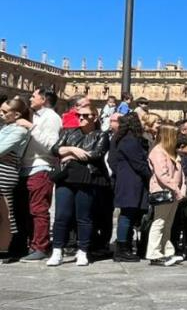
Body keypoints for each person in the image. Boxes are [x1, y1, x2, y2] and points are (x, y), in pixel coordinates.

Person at [46, 104, 110, 267]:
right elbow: (55, 149)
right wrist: (73, 150)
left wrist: (68, 155)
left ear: (94, 117)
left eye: (85, 115)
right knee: (61, 216)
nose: (81, 118)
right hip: (65, 178)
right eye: (79, 115)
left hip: (87, 178)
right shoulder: (69, 133)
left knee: (84, 217)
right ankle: (57, 251)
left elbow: (95, 155)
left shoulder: (101, 135)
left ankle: (82, 251)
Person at [18, 87, 62, 262]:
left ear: (43, 99)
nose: (30, 99)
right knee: (27, 210)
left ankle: (41, 246)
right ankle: (31, 243)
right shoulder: (36, 116)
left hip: (41, 167)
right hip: (28, 167)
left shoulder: (51, 118)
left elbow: (51, 144)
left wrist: (31, 127)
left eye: (33, 96)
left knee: (38, 210)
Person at [110, 112, 151, 262]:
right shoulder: (130, 140)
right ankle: (121, 249)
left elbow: (112, 161)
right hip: (131, 182)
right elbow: (139, 163)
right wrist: (150, 175)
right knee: (127, 215)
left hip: (126, 180)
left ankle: (125, 246)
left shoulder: (121, 139)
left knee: (128, 214)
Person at [145, 124, 186, 266]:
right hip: (164, 191)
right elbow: (162, 174)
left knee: (168, 223)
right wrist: (176, 188)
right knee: (160, 222)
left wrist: (182, 188)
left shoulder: (171, 152)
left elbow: (181, 172)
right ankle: (154, 253)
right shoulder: (158, 152)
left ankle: (167, 251)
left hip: (174, 192)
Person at [0, 97, 30, 261]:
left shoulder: (19, 130)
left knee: (6, 212)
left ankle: (9, 248)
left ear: (17, 114)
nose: (1, 113)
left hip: (5, 173)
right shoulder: (6, 127)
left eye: (5, 111)